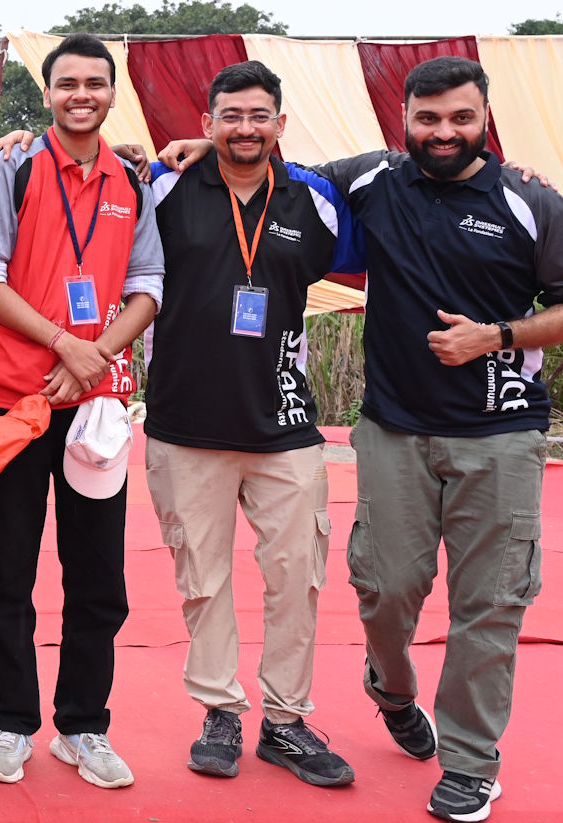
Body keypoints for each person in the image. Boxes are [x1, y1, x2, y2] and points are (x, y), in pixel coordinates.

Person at [293, 57, 563, 821]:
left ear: (484, 118)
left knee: (490, 603)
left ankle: (469, 761)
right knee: (384, 587)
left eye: (460, 118)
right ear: (403, 118)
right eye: (427, 119)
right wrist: (189, 148)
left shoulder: (531, 201)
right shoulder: (370, 180)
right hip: (394, 429)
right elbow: (275, 174)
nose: (443, 133)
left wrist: (495, 337)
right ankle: (392, 687)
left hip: (501, 434)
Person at [140, 60, 359, 787]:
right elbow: (86, 176)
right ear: (206, 123)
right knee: (202, 580)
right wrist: (15, 140)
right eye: (230, 116)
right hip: (184, 422)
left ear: (280, 124)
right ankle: (219, 711)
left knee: (297, 580)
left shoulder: (317, 202)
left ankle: (287, 721)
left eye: (258, 115)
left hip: (285, 424)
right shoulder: (166, 187)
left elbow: (400, 175)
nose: (244, 128)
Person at [0, 33, 162, 790]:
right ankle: (11, 720)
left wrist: (97, 354)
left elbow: (149, 280)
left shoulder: (131, 181)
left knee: (98, 576)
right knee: (9, 570)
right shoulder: (13, 169)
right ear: (47, 94)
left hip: (97, 408)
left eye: (95, 83)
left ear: (112, 94)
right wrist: (62, 345)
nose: (82, 94)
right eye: (68, 83)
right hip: (12, 397)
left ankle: (84, 724)